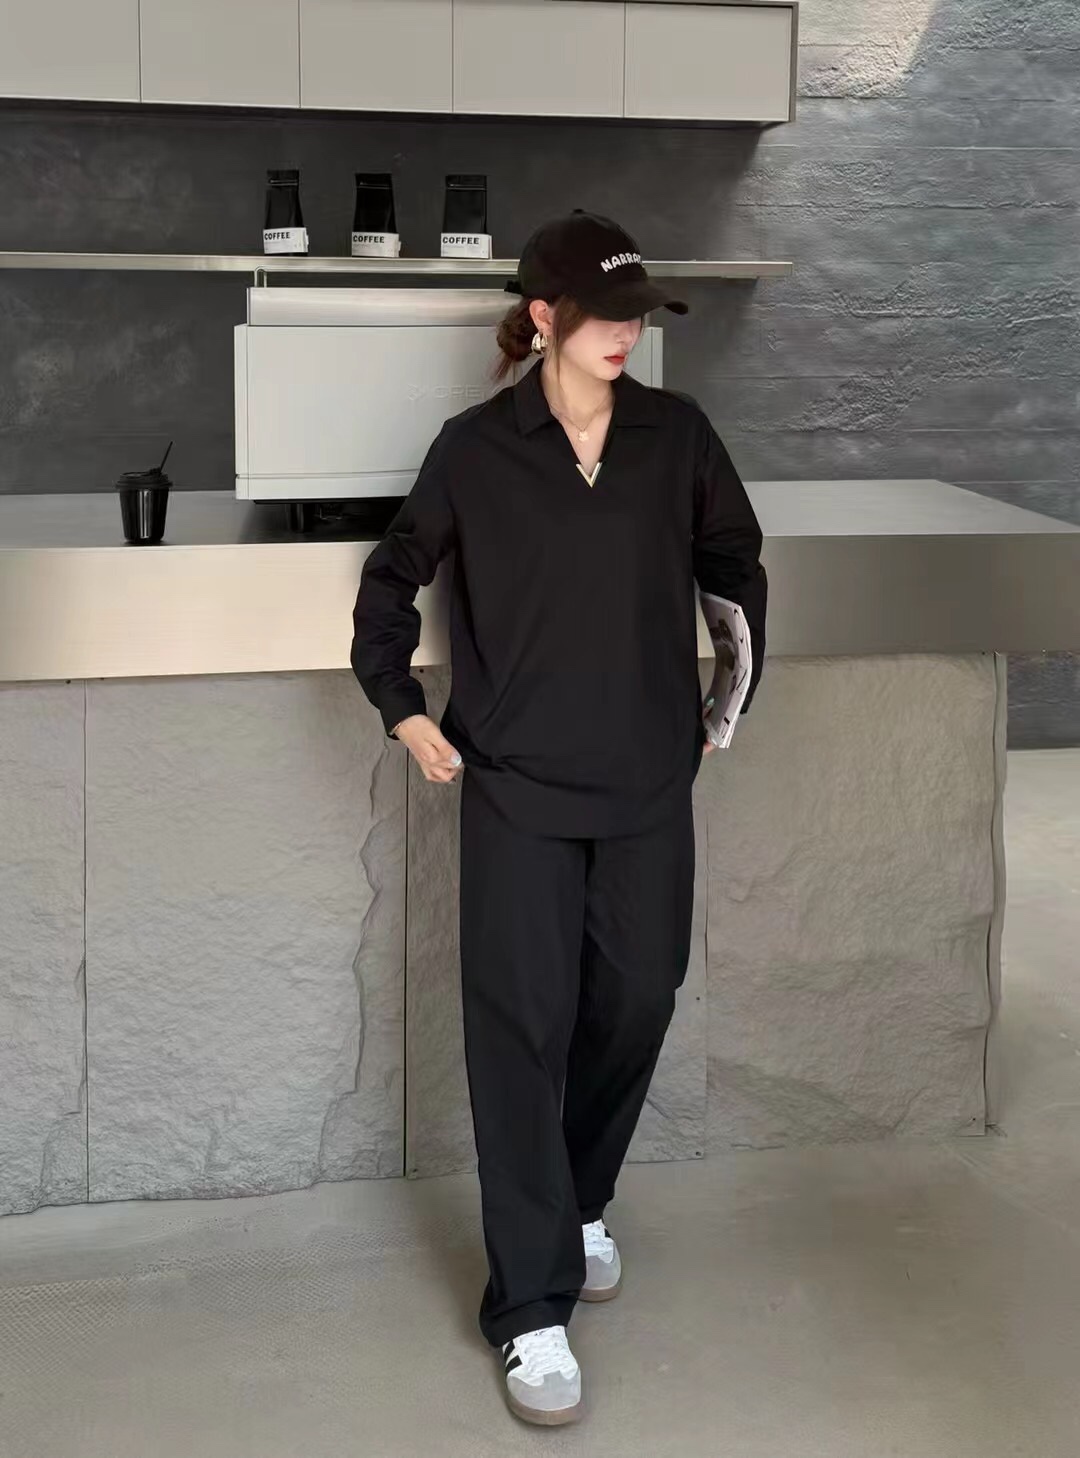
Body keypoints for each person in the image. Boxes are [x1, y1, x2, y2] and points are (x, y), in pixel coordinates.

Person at [350, 210, 767, 1427]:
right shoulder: (476, 451)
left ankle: (578, 1201)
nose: (628, 333)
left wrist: (726, 699)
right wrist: (401, 708)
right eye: (606, 313)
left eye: (640, 314)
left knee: (638, 996)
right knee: (519, 1031)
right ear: (543, 316)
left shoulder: (678, 438)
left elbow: (734, 566)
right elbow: (393, 577)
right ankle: (531, 1307)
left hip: (645, 782)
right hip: (518, 787)